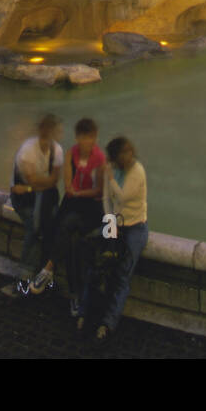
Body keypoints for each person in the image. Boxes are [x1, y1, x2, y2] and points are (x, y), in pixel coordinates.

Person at [28, 118, 105, 309]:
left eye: (89, 138)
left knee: (68, 228)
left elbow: (98, 191)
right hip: (73, 201)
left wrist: (78, 192)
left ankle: (48, 270)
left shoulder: (100, 158)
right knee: (56, 228)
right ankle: (73, 295)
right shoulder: (72, 153)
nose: (86, 142)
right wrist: (74, 191)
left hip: (91, 206)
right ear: (78, 137)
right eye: (82, 138)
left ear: (94, 138)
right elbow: (68, 183)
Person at [77, 135, 148, 342]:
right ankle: (83, 311)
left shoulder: (137, 171)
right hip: (114, 223)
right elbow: (108, 198)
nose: (124, 158)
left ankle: (108, 323)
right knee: (96, 265)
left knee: (122, 275)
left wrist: (108, 178)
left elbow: (123, 196)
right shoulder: (113, 167)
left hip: (135, 227)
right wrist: (110, 223)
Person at [8, 115, 64, 295]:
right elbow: (41, 180)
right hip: (24, 201)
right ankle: (24, 276)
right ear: (41, 131)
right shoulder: (27, 150)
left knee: (55, 225)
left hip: (42, 196)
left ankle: (43, 273)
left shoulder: (58, 150)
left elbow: (53, 180)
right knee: (34, 224)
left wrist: (31, 186)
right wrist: (39, 184)